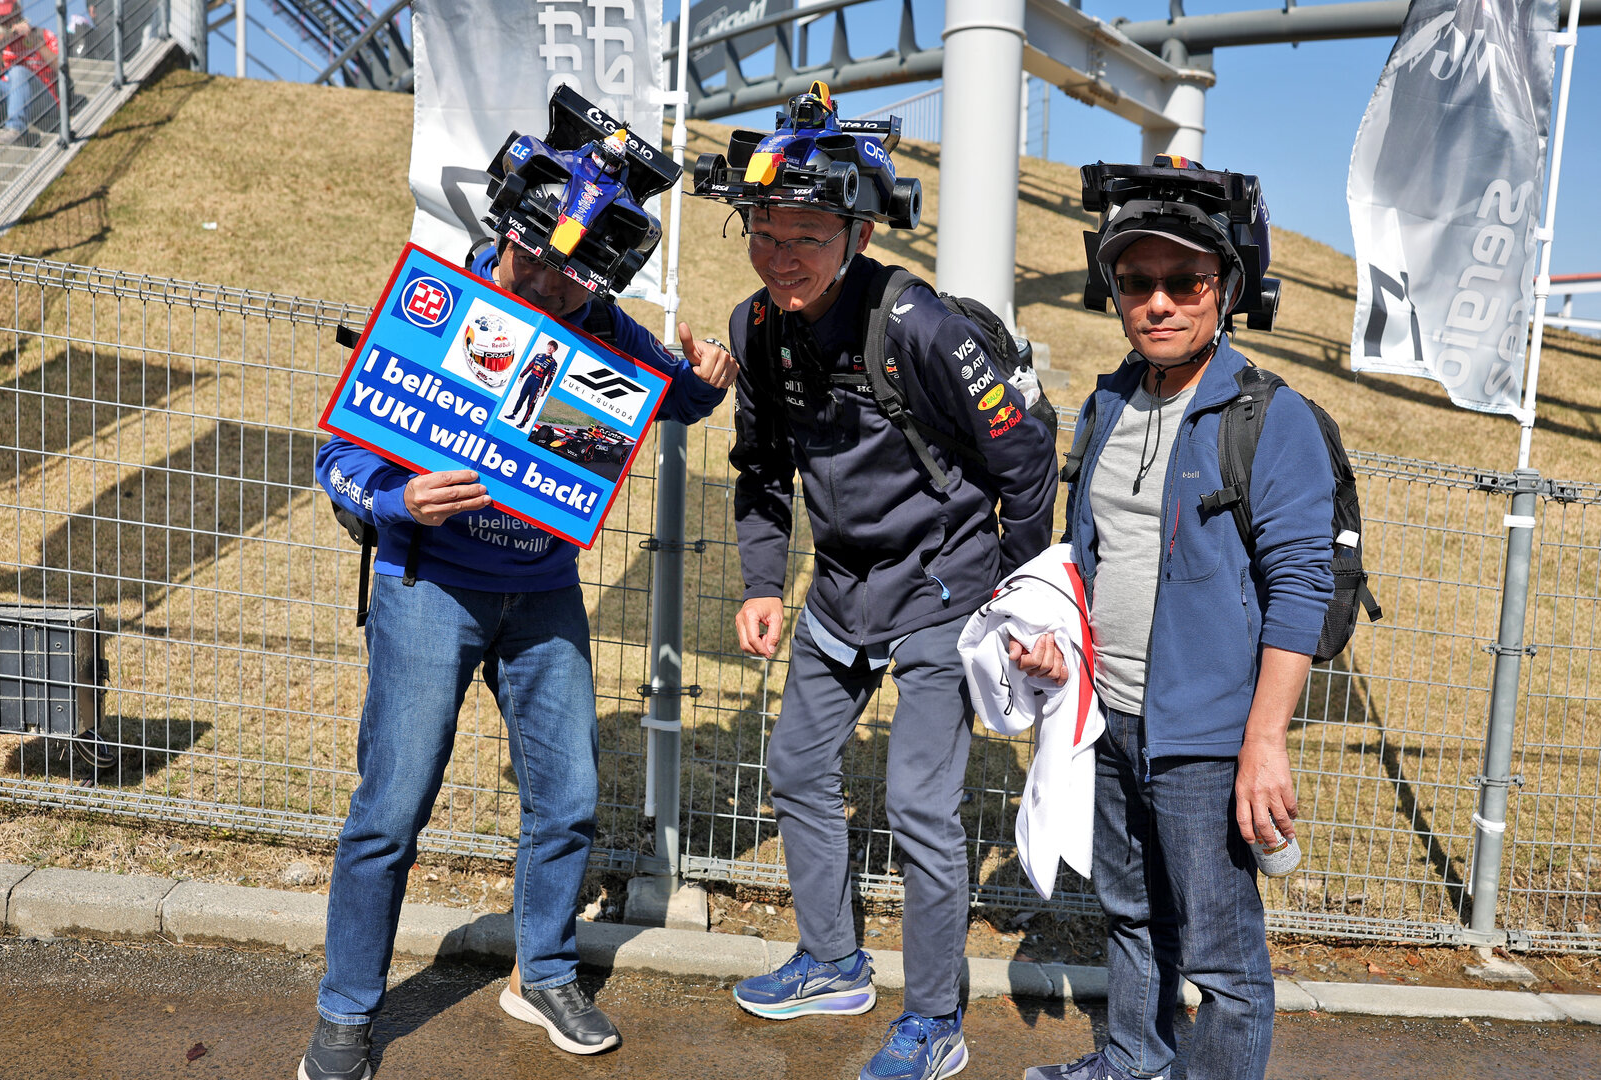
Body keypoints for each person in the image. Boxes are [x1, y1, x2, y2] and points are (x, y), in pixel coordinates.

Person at [299, 100, 737, 1080]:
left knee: (569, 797)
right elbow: (337, 458)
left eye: (577, 278)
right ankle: (345, 1011)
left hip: (541, 592)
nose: (550, 288)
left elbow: (670, 397)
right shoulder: (436, 305)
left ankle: (542, 974)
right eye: (535, 263)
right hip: (429, 585)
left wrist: (708, 380)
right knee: (391, 809)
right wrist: (396, 499)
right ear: (506, 230)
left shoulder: (603, 322)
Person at [692, 83, 1058, 1080]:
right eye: (765, 234)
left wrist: (1016, 600)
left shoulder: (921, 327)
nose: (782, 257)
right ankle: (831, 963)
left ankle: (935, 1020)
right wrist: (760, 582)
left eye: (807, 238)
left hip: (945, 590)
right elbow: (762, 467)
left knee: (919, 806)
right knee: (796, 767)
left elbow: (1026, 460)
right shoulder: (758, 327)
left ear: (856, 234)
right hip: (840, 593)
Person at [1014, 158, 1333, 1080]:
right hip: (1108, 717)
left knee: (1221, 960)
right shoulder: (1108, 403)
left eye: (1184, 281)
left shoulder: (1270, 417)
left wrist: (1263, 742)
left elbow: (1300, 589)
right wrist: (1057, 643)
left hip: (1208, 736)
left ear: (1224, 287)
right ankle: (1134, 1060)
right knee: (1129, 913)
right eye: (1136, 280)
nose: (1158, 302)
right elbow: (1089, 554)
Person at [0, 0, 57, 146]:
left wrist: (35, 41)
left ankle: (15, 129)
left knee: (18, 72)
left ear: (17, 11)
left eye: (5, 16)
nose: (2, 22)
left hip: (43, 101)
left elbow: (61, 68)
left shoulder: (42, 34)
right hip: (8, 99)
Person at [503, 338, 561, 427]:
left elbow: (550, 377)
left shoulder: (553, 363)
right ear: (547, 346)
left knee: (531, 403)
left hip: (538, 382)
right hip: (530, 379)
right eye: (549, 346)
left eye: (552, 347)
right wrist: (522, 375)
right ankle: (513, 414)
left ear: (554, 350)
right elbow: (529, 366)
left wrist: (545, 389)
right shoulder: (538, 355)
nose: (550, 348)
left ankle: (523, 422)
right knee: (521, 397)